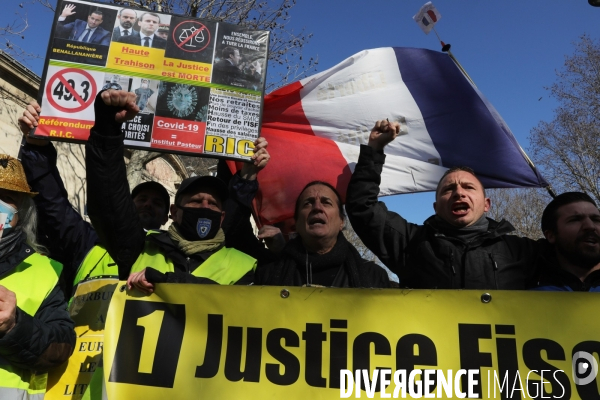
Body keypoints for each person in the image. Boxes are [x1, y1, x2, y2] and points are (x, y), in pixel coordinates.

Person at [86, 89, 270, 290]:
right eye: (196, 201)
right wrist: (107, 129)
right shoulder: (140, 247)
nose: (205, 207)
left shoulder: (243, 264)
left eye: (213, 204)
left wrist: (248, 174)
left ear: (222, 217)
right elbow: (109, 202)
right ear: (174, 212)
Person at [345, 120, 540, 289]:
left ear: (486, 204)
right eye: (448, 189)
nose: (458, 192)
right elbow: (363, 207)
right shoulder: (411, 244)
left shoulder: (521, 251)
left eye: (468, 187)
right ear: (436, 207)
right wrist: (374, 151)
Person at [18, 102, 170, 297]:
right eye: (142, 199)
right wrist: (37, 150)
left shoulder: (175, 257)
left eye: (157, 203)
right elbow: (53, 206)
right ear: (128, 205)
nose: (148, 204)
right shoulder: (88, 241)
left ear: (167, 217)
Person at [0, 155, 75, 399]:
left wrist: (14, 326)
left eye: (7, 198)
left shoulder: (44, 270)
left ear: (20, 213)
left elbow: (60, 346)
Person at [256, 181, 391, 288]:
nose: (317, 208)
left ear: (341, 222)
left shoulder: (374, 277)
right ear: (296, 223)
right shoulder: (267, 275)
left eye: (326, 203)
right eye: (308, 203)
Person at [533, 192, 600, 291]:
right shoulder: (530, 292)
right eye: (575, 220)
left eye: (596, 219)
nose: (590, 226)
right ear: (551, 235)